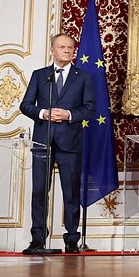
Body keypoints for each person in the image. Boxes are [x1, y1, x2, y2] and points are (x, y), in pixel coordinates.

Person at [19, 33, 95, 254]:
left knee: (71, 192)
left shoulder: (84, 77)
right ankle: (38, 239)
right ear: (52, 50)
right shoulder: (40, 75)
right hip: (43, 140)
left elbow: (90, 108)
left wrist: (69, 114)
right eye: (62, 47)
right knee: (39, 191)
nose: (67, 50)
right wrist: (43, 113)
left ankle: (71, 239)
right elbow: (26, 105)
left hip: (71, 142)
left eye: (70, 47)